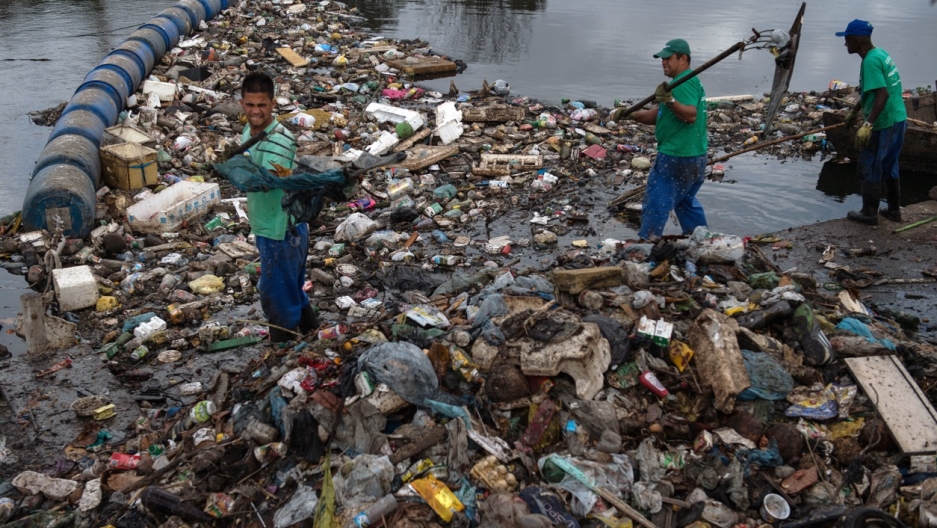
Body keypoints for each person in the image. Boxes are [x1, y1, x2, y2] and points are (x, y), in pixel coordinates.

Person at [239, 72, 318, 342]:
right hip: (269, 226)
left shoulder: (280, 139)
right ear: (242, 104)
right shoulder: (248, 132)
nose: (256, 111)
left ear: (273, 104)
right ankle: (314, 336)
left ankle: (281, 354)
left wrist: (233, 171)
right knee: (292, 290)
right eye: (250, 105)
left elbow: (267, 180)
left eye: (262, 105)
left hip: (283, 232)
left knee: (276, 298)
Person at [611, 39, 708, 241]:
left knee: (656, 201)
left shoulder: (683, 81)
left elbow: (690, 115)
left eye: (668, 58)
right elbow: (661, 115)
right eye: (662, 59)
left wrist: (670, 100)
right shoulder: (684, 82)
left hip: (676, 155)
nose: (664, 62)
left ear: (683, 58)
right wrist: (633, 115)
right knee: (684, 201)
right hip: (695, 155)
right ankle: (702, 241)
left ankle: (647, 243)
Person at [837, 19, 907, 225]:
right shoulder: (880, 54)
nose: (845, 43)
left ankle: (869, 213)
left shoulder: (869, 62)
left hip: (883, 123)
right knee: (889, 164)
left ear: (858, 40)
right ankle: (894, 211)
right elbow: (871, 90)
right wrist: (854, 111)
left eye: (848, 39)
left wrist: (868, 125)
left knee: (869, 165)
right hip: (898, 119)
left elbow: (882, 94)